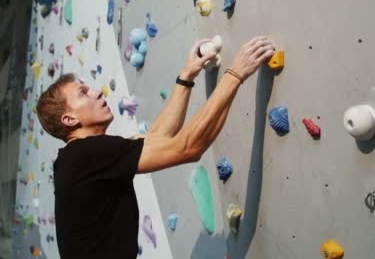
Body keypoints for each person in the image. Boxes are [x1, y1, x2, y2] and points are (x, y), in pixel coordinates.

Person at [36, 36, 275, 258]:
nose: (96, 92)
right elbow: (187, 148)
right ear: (69, 120)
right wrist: (235, 74)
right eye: (83, 93)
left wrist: (187, 75)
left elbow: (158, 138)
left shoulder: (80, 157)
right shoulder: (84, 156)